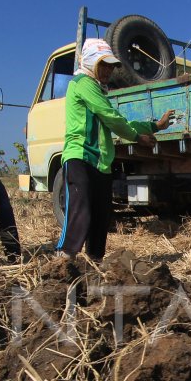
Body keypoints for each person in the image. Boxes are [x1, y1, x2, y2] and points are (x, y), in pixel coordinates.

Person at [58, 37, 175, 260]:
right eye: (104, 65)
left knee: (102, 216)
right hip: (80, 157)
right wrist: (137, 138)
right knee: (80, 211)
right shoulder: (82, 84)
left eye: (111, 66)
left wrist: (154, 126)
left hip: (100, 163)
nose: (109, 71)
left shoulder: (98, 91)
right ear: (91, 62)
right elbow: (112, 118)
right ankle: (64, 261)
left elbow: (119, 120)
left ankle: (95, 262)